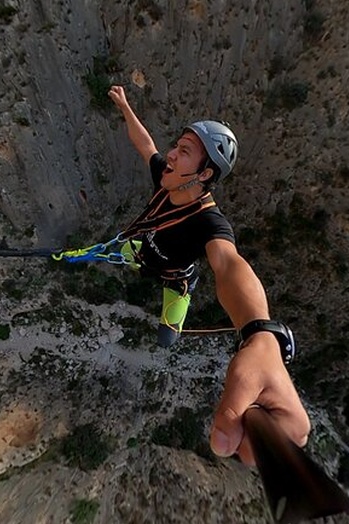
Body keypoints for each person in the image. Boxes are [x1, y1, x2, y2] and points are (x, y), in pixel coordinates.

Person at [107, 85, 311, 463]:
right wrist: (125, 107)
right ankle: (125, 254)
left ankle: (181, 294)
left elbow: (229, 264)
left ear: (204, 173)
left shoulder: (208, 223)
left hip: (172, 274)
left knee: (167, 339)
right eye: (177, 145)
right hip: (143, 250)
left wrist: (260, 335)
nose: (170, 155)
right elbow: (145, 144)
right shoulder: (167, 178)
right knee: (116, 253)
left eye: (184, 152)